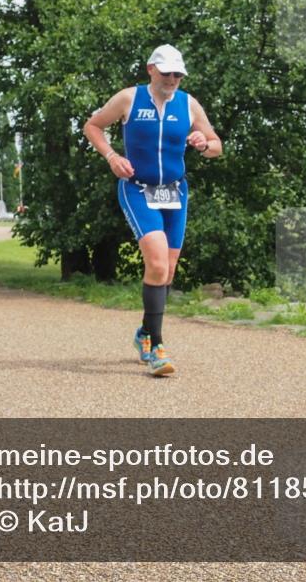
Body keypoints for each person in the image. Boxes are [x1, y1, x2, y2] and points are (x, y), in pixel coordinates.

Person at [83, 44, 221, 376]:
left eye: (178, 73)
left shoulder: (188, 104)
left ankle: (144, 333)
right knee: (157, 263)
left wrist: (204, 145)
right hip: (138, 190)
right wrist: (112, 157)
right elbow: (93, 126)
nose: (173, 78)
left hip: (175, 193)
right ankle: (157, 347)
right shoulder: (129, 99)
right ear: (151, 69)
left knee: (167, 272)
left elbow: (216, 145)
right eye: (167, 72)